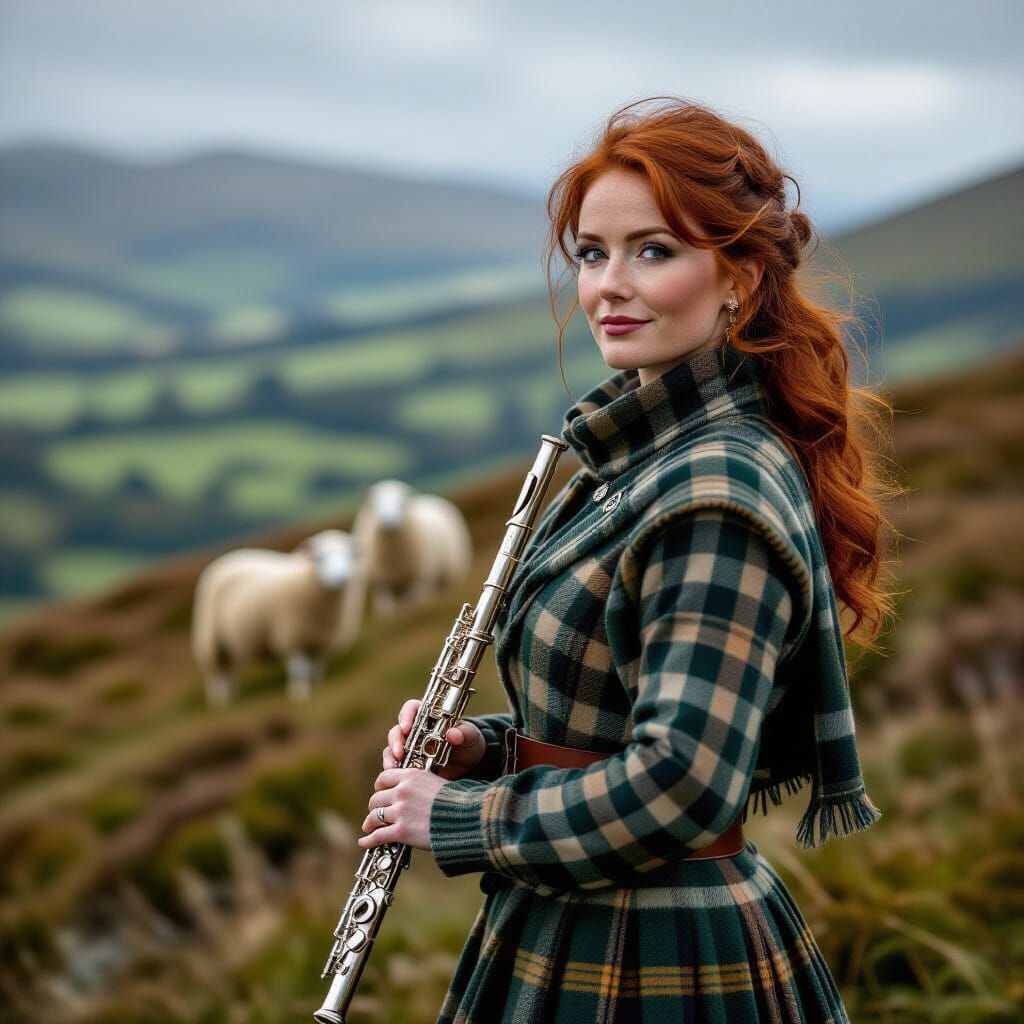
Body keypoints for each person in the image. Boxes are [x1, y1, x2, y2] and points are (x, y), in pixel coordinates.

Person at [357, 96, 898, 1023]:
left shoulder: (715, 493)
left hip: (659, 957)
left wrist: (454, 818)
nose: (609, 284)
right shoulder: (640, 457)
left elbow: (683, 781)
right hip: (573, 917)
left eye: (654, 251)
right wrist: (485, 750)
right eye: (593, 253)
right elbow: (618, 718)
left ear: (737, 277)